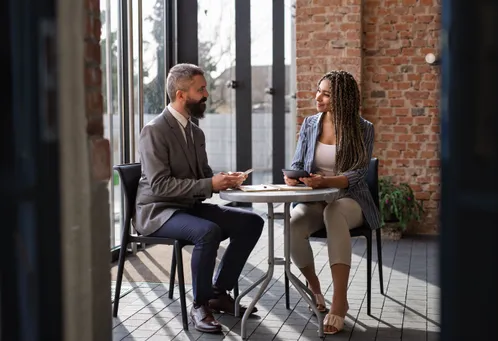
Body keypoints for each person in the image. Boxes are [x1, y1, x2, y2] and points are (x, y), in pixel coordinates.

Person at [135, 63, 264, 333]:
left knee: (251, 223)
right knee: (208, 232)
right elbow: (159, 186)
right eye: (201, 89)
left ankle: (217, 292)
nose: (206, 95)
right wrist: (209, 183)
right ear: (182, 95)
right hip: (158, 212)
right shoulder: (154, 130)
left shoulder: (195, 132)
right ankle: (200, 304)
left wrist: (225, 179)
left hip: (188, 207)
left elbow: (203, 176)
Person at [284, 70, 380, 335]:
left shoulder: (363, 128)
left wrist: (327, 182)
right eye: (319, 91)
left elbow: (359, 172)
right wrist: (295, 177)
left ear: (343, 98)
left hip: (350, 199)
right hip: (314, 198)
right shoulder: (310, 123)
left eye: (326, 94)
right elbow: (297, 163)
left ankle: (340, 302)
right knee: (292, 225)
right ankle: (315, 290)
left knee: (334, 213)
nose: (318, 97)